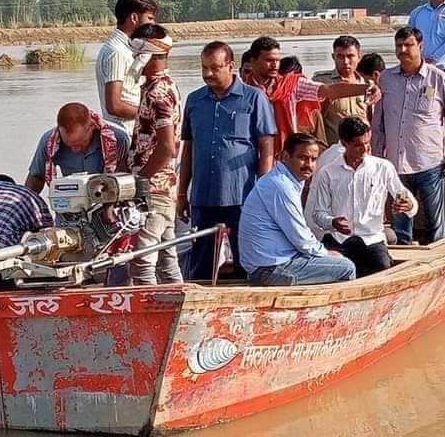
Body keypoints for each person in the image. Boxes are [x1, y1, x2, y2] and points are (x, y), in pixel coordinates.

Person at [178, 41, 276, 280]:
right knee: (200, 259)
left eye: (214, 68)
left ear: (230, 66)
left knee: (248, 257)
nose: (208, 74)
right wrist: (182, 193)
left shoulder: (254, 98)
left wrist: (263, 188)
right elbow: (188, 148)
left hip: (242, 194)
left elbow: (266, 146)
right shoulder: (194, 100)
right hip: (203, 195)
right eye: (204, 68)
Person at [372, 27, 445, 244]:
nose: (403, 50)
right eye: (399, 46)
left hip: (430, 165)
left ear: (421, 46)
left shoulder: (438, 79)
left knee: (435, 224)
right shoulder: (386, 79)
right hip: (395, 166)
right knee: (401, 223)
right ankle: (403, 266)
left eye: (408, 45)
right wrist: (377, 159)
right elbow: (377, 124)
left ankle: (437, 262)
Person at [239, 133, 356, 286]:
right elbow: (302, 240)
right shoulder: (281, 186)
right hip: (271, 269)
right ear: (286, 156)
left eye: (313, 159)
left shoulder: (284, 180)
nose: (309, 164)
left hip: (271, 264)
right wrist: (326, 254)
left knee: (334, 258)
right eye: (303, 158)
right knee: (346, 268)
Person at [308, 117, 417, 277]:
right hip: (339, 239)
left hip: (371, 239)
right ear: (344, 143)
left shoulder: (383, 168)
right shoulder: (328, 172)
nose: (365, 149)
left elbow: (407, 199)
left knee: (382, 271)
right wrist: (332, 222)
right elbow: (318, 214)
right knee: (319, 272)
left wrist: (409, 206)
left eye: (367, 143)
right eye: (358, 145)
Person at [243, 36, 380, 154]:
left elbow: (329, 91)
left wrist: (367, 88)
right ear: (253, 61)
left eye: (277, 60)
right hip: (249, 153)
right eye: (269, 60)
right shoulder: (242, 91)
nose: (274, 65)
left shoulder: (291, 85)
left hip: (285, 154)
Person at [127, 24, 183, 285]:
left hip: (155, 188)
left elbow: (167, 147)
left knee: (142, 258)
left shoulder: (159, 93)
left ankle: (148, 312)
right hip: (162, 186)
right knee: (166, 255)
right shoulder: (161, 87)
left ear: (146, 56)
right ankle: (175, 303)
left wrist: (141, 180)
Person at [25, 102, 130, 195]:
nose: (75, 150)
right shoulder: (49, 142)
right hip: (69, 208)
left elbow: (125, 179)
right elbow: (36, 178)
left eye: (81, 143)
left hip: (108, 204)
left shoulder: (117, 139)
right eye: (70, 145)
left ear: (91, 127)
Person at [95, 0, 158, 134]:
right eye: (150, 19)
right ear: (134, 18)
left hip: (130, 130)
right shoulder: (116, 52)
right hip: (123, 133)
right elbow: (114, 105)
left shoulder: (127, 48)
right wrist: (150, 116)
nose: (153, 25)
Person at [312, 36, 368, 145]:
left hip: (361, 150)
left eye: (350, 56)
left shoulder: (366, 84)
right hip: (333, 150)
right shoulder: (322, 82)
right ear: (333, 57)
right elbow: (312, 120)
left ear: (359, 57)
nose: (346, 61)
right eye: (340, 56)